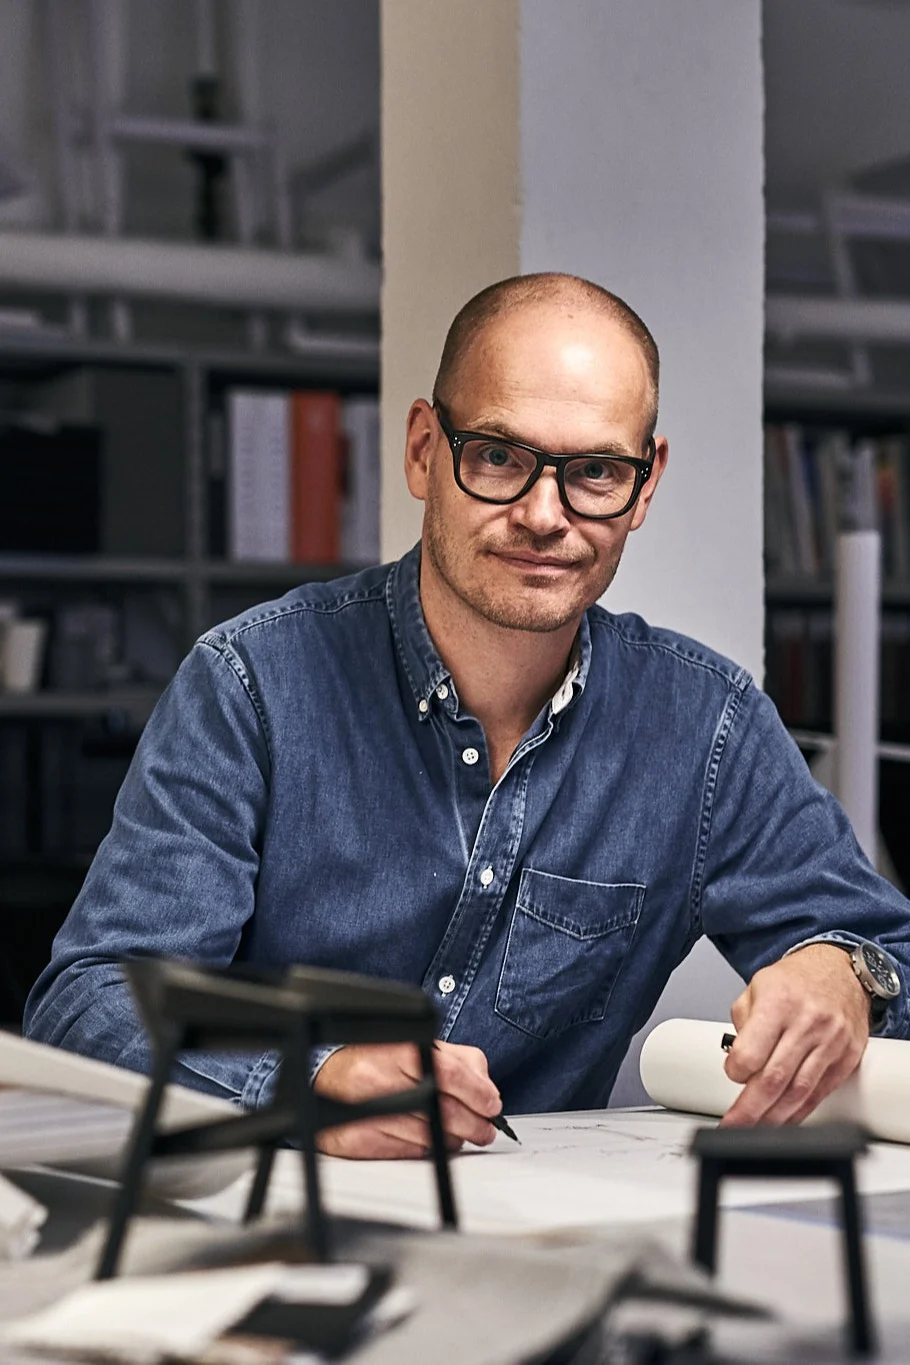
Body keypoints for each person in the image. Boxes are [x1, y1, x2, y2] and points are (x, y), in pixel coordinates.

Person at [25, 273, 910, 1160]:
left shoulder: (705, 726)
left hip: (547, 1232)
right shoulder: (250, 684)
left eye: (596, 471)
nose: (543, 515)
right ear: (421, 449)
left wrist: (843, 973)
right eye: (497, 456)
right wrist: (310, 1077)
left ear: (644, 488)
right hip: (274, 1221)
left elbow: (882, 947)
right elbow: (89, 1004)